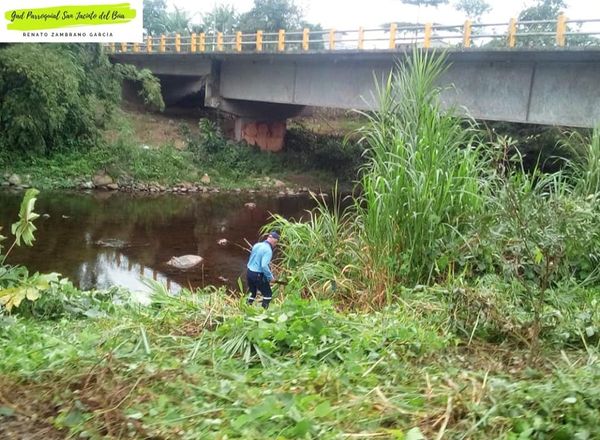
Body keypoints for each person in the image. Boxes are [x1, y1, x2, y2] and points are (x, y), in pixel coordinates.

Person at [246, 231, 279, 309]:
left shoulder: (257, 245)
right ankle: (263, 312)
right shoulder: (268, 250)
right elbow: (264, 265)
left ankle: (246, 308)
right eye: (276, 243)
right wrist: (270, 277)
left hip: (249, 272)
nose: (275, 245)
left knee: (253, 293)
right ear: (274, 241)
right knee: (268, 294)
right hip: (257, 274)